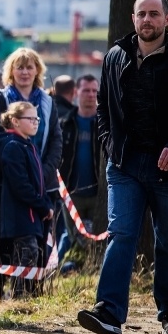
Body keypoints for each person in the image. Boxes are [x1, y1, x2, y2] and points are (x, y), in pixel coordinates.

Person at [78, 0, 168, 334]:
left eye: (154, 14)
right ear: (133, 19)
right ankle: (109, 313)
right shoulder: (116, 55)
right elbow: (103, 106)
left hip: (166, 168)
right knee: (121, 234)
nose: (147, 20)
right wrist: (110, 144)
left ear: (167, 20)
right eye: (141, 14)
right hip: (124, 165)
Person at [0, 48, 62, 300]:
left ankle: (32, 295)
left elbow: (56, 141)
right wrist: (13, 168)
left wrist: (39, 173)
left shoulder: (47, 102)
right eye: (19, 67)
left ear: (37, 71)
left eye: (29, 67)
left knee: (39, 240)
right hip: (5, 184)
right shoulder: (0, 98)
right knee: (4, 241)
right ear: (11, 71)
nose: (24, 72)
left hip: (42, 184)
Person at [0, 102, 54, 297]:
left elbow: (39, 183)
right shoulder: (13, 147)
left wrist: (46, 204)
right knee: (26, 255)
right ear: (15, 121)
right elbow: (21, 185)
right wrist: (42, 206)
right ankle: (19, 298)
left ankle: (29, 297)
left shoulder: (30, 146)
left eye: (36, 118)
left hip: (34, 216)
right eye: (30, 119)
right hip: (21, 217)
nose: (35, 122)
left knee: (35, 255)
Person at [57, 74, 100, 265]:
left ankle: (94, 269)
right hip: (72, 194)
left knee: (98, 240)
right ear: (76, 93)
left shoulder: (105, 124)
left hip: (100, 195)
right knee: (74, 239)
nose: (91, 95)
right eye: (86, 90)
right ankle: (73, 271)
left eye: (94, 91)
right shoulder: (64, 124)